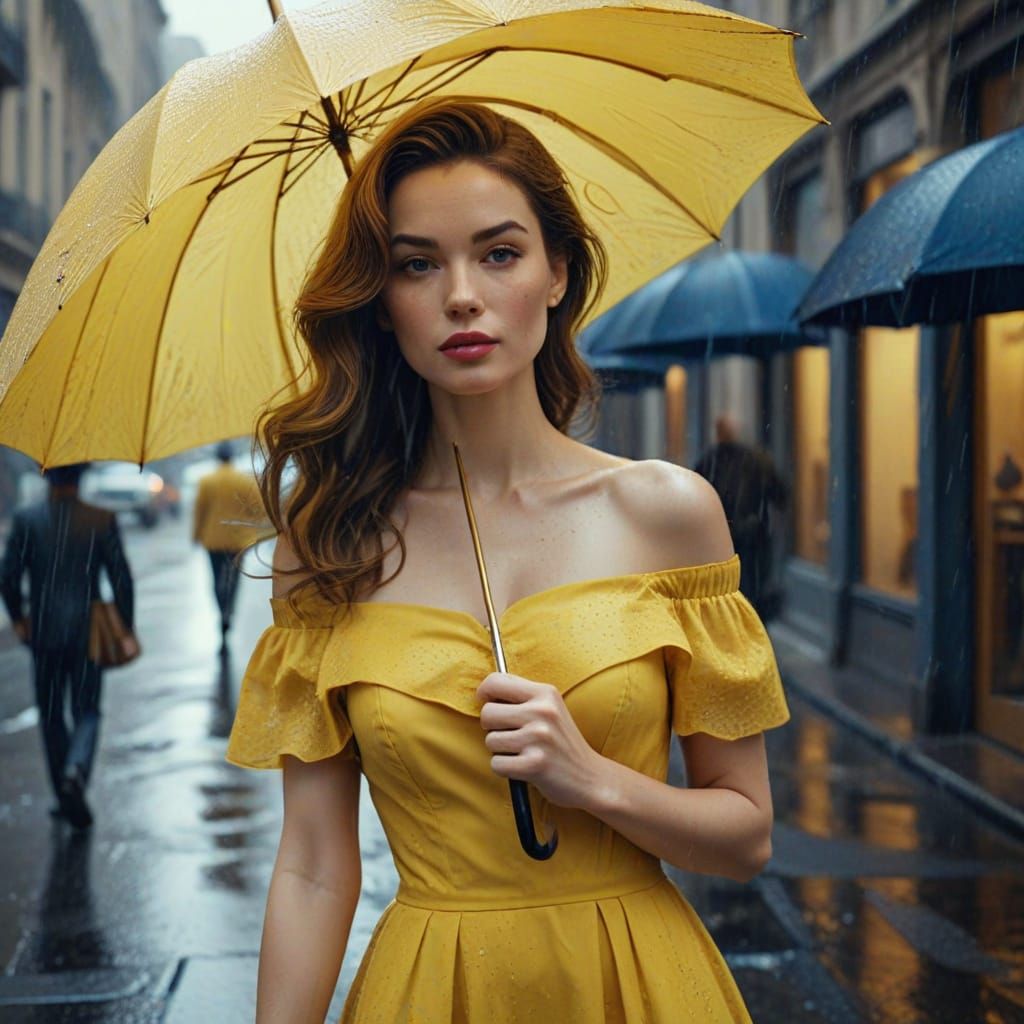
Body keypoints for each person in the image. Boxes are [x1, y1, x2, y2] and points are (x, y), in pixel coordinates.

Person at [227, 99, 790, 1023]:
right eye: (416, 264)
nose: (461, 295)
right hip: (430, 992)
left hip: (637, 987)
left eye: (498, 253)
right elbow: (315, 867)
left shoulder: (666, 514)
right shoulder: (327, 548)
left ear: (557, 271)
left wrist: (590, 778)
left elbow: (746, 837)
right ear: (382, 303)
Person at [1, 462, 134, 829]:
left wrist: (19, 619)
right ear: (81, 477)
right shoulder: (101, 519)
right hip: (88, 632)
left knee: (51, 714)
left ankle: (63, 794)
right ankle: (76, 768)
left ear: (47, 476)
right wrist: (125, 627)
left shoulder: (26, 520)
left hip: (42, 632)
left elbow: (8, 576)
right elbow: (121, 577)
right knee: (87, 709)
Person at [695, 413, 789, 620]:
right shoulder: (755, 460)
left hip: (727, 541)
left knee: (729, 595)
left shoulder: (709, 461)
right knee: (751, 592)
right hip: (751, 539)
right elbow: (780, 495)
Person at [192, 441, 265, 647]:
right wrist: (252, 527)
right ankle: (229, 609)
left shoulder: (207, 481)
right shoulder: (243, 481)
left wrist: (196, 536)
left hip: (213, 539)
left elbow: (200, 511)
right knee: (233, 578)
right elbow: (258, 509)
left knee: (216, 578)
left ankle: (221, 608)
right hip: (237, 540)